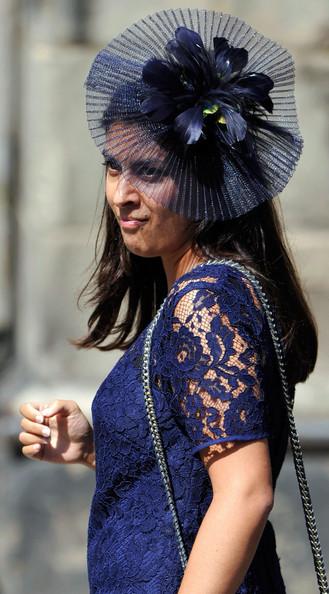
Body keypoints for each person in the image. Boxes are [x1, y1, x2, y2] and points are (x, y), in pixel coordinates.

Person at [18, 8, 318, 594]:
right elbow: (189, 479)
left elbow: (245, 493)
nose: (122, 196)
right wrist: (96, 448)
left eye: (149, 172)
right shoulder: (208, 291)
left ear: (206, 181)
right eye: (112, 167)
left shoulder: (206, 300)